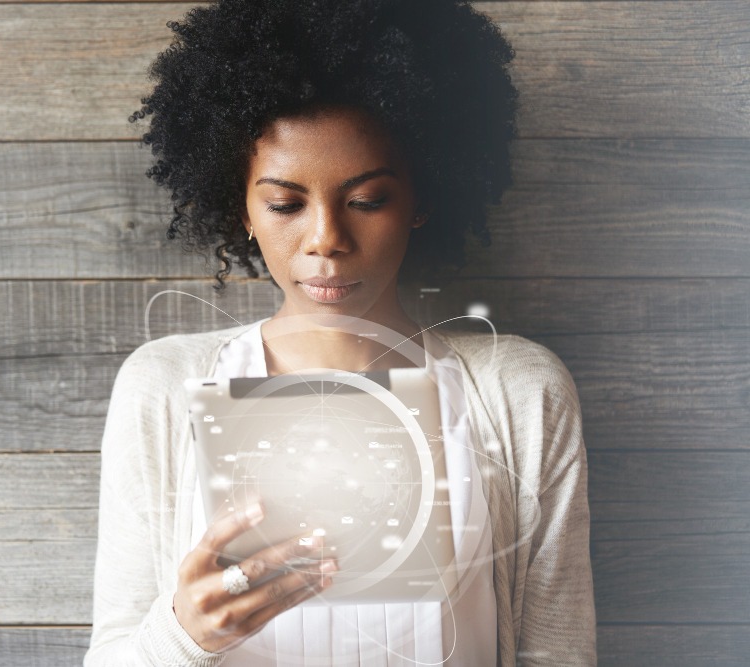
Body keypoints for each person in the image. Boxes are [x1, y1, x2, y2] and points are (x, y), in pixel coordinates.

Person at [85, 0, 596, 665]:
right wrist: (183, 633)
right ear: (238, 203)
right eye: (285, 203)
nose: (326, 240)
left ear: (423, 197)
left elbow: (559, 655)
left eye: (367, 199)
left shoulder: (520, 394)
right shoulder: (161, 389)